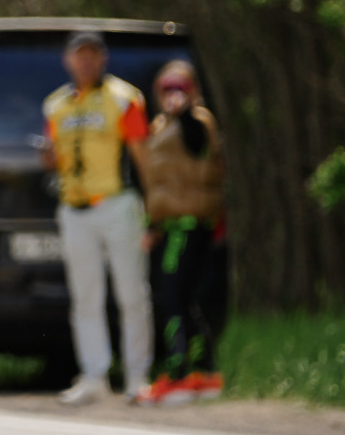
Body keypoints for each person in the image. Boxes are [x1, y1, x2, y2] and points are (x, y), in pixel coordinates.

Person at [41, 30, 155, 404]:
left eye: (93, 55)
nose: (86, 62)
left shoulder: (124, 99)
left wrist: (154, 208)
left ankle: (138, 376)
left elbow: (142, 156)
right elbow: (52, 156)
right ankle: (94, 375)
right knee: (85, 295)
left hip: (116, 204)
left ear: (103, 59)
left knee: (131, 293)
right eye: (79, 55)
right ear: (68, 60)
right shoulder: (56, 105)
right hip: (74, 208)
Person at [139, 59, 227, 402]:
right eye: (168, 89)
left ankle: (178, 374)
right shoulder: (160, 125)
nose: (174, 96)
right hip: (170, 224)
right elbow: (161, 184)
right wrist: (152, 224)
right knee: (185, 299)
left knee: (173, 297)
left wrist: (186, 113)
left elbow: (197, 148)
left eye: (181, 89)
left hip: (190, 223)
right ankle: (204, 372)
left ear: (193, 92)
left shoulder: (198, 122)